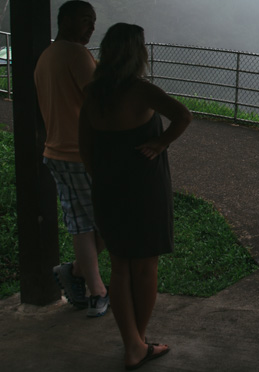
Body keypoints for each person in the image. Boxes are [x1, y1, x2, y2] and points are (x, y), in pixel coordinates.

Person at [79, 23, 191, 370]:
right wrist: (159, 143)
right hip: (144, 188)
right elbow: (183, 116)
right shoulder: (142, 91)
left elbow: (85, 147)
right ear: (136, 53)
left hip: (108, 187)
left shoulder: (93, 93)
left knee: (119, 266)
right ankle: (137, 345)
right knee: (145, 267)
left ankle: (134, 343)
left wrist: (104, 177)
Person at [34, 0, 109, 316]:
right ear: (64, 21)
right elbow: (100, 99)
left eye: (93, 21)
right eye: (84, 20)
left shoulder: (46, 57)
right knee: (110, 219)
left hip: (55, 152)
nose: (91, 27)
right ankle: (83, 276)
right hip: (82, 154)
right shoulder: (76, 54)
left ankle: (94, 289)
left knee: (80, 222)